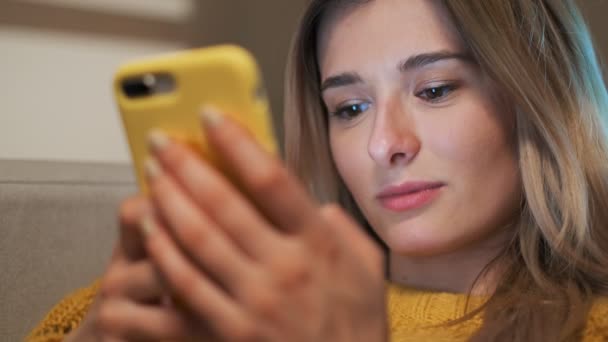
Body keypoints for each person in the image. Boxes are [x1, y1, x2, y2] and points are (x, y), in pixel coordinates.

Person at [28, 0, 608, 341]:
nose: (384, 144)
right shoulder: (104, 315)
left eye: (434, 90)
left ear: (536, 99)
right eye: (350, 109)